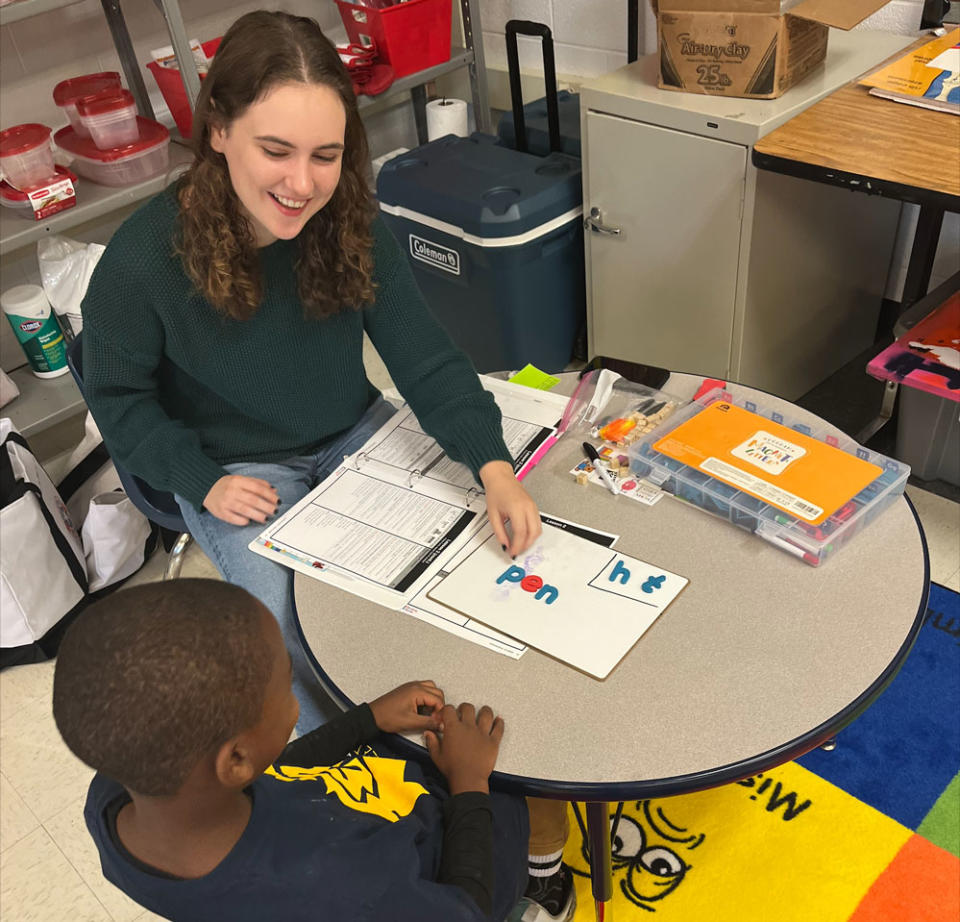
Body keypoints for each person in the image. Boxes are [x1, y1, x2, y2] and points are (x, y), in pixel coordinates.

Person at [79, 9, 543, 733]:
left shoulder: (350, 221)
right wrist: (202, 481)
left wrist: (494, 464)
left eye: (325, 155)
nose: (302, 182)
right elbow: (119, 401)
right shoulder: (140, 261)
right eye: (276, 150)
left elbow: (424, 355)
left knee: (454, 563)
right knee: (285, 639)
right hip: (234, 465)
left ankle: (449, 738)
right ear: (219, 132)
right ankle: (344, 775)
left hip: (352, 428)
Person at [53, 579, 575, 922]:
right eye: (284, 687)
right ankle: (544, 889)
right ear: (234, 759)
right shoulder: (348, 889)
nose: (295, 705)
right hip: (454, 872)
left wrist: (366, 718)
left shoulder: (118, 799)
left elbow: (275, 774)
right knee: (529, 777)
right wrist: (470, 782)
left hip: (352, 814)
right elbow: (466, 910)